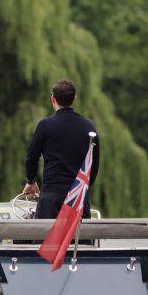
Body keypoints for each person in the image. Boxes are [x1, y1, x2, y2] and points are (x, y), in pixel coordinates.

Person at [22, 79, 100, 219]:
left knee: (47, 240)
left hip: (51, 197)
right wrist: (84, 187)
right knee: (80, 240)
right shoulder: (89, 127)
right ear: (74, 99)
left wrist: (31, 181)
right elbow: (94, 163)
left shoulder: (45, 126)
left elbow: (31, 157)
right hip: (78, 198)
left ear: (53, 99)